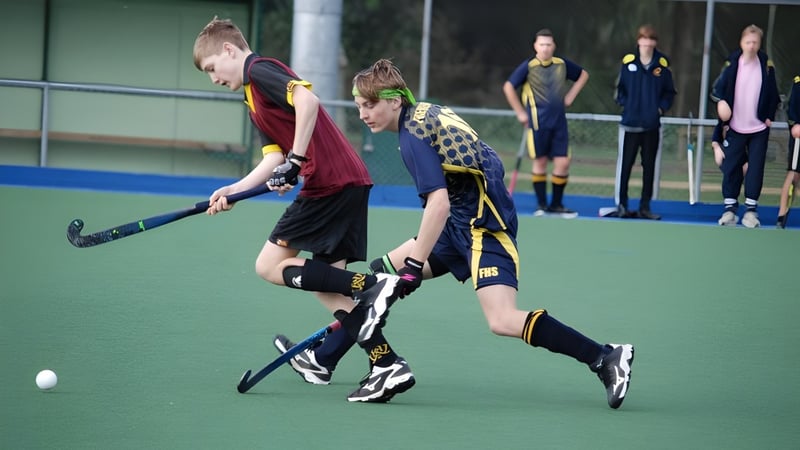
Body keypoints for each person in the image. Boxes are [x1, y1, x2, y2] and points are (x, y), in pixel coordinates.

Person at [276, 58, 635, 409]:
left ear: (395, 100)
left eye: (369, 105)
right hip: (460, 223)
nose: (363, 114)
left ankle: (604, 357)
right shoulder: (423, 115)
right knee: (380, 279)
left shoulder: (412, 137)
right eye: (358, 106)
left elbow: (438, 204)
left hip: (483, 228)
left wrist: (415, 264)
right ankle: (324, 358)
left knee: (501, 320)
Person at [192, 18, 415, 402]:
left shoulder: (260, 71)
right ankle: (386, 364)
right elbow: (272, 157)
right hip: (346, 181)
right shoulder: (251, 97)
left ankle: (372, 285)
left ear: (229, 50)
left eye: (212, 68)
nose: (213, 78)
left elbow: (308, 101)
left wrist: (295, 162)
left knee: (269, 265)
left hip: (328, 181)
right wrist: (234, 189)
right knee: (329, 286)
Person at [502, 29, 589, 218]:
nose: (545, 48)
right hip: (537, 123)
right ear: (535, 46)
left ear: (554, 46)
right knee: (540, 162)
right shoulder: (528, 66)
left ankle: (556, 205)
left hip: (559, 123)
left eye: (549, 44)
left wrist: (571, 96)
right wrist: (520, 113)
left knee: (563, 162)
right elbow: (508, 87)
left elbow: (583, 75)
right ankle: (541, 205)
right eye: (542, 44)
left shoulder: (562, 64)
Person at [711, 24, 780, 228]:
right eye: (748, 42)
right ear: (742, 43)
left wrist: (768, 116)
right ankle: (730, 211)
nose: (751, 46)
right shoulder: (731, 64)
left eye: (755, 42)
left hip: (758, 129)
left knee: (755, 169)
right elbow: (717, 90)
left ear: (759, 44)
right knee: (731, 168)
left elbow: (774, 95)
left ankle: (751, 212)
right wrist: (722, 104)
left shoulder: (767, 66)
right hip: (735, 128)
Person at [613, 24, 676, 220]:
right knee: (625, 165)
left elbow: (669, 92)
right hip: (630, 124)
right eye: (644, 39)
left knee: (649, 167)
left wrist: (659, 108)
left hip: (651, 126)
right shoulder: (628, 63)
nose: (647, 44)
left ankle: (645, 207)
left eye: (651, 40)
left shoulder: (662, 65)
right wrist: (626, 104)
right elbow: (619, 90)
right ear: (638, 41)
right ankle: (622, 204)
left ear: (655, 42)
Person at [777, 75, 800, 229]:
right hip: (799, 138)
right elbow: (792, 108)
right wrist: (796, 124)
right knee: (793, 174)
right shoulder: (798, 82)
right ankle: (781, 215)